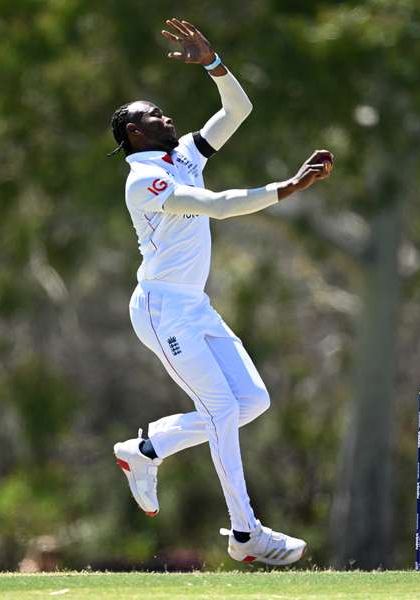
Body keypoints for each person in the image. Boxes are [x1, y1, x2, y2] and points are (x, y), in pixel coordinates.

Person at [110, 17, 332, 566]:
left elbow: (239, 111)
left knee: (251, 402)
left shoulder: (182, 154)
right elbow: (216, 206)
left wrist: (215, 64)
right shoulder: (144, 180)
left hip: (195, 306)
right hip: (162, 311)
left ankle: (148, 449)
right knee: (220, 410)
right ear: (136, 133)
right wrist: (287, 187)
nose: (166, 116)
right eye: (153, 116)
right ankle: (245, 534)